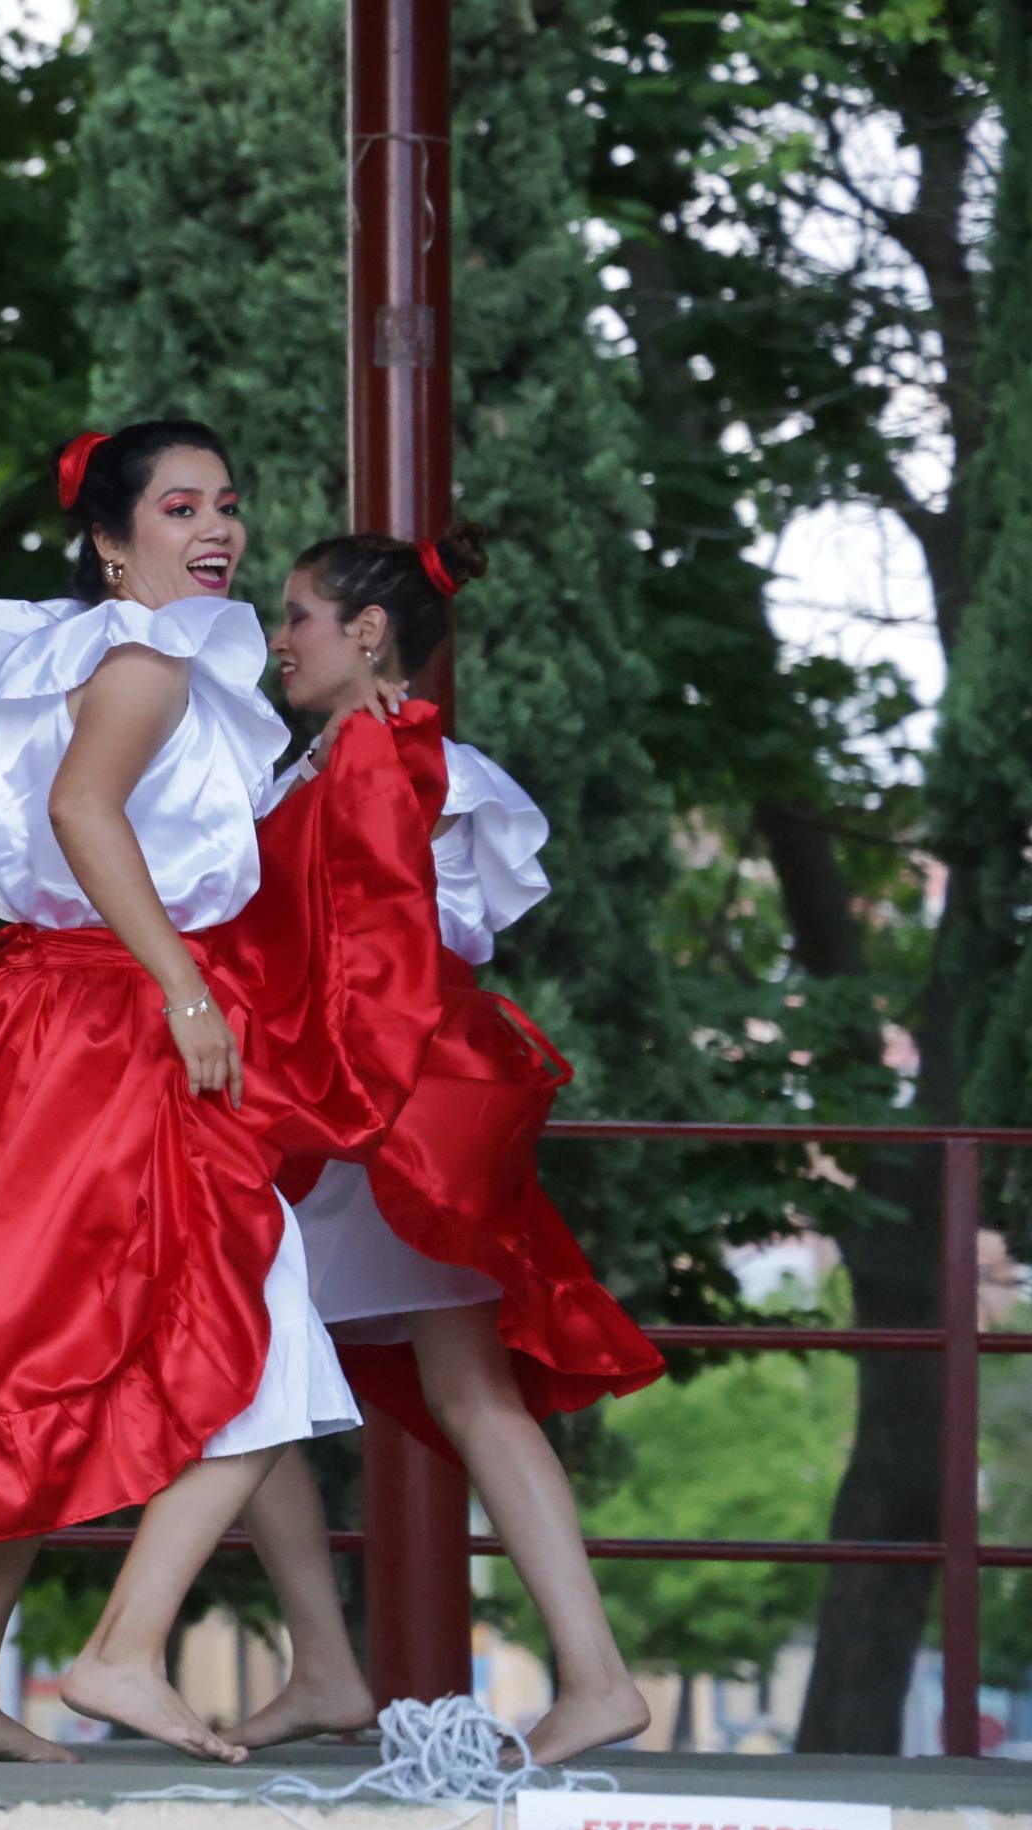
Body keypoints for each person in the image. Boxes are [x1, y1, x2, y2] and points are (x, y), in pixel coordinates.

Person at [0, 422, 444, 1764]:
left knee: (36, 1349)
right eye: (179, 509)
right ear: (114, 540)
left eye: (227, 503)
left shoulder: (99, 654)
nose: (215, 527)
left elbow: (138, 827)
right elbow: (87, 814)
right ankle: (118, 1652)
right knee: (267, 1333)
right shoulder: (150, 658)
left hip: (47, 1018)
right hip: (114, 1026)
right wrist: (185, 988)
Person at [228, 524, 661, 1766]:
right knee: (425, 1387)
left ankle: (351, 1666)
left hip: (379, 1109)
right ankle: (574, 1673)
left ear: (367, 633)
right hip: (390, 1103)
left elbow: (391, 961)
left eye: (298, 615)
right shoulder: (352, 763)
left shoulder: (393, 762)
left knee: (239, 1362)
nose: (278, 639)